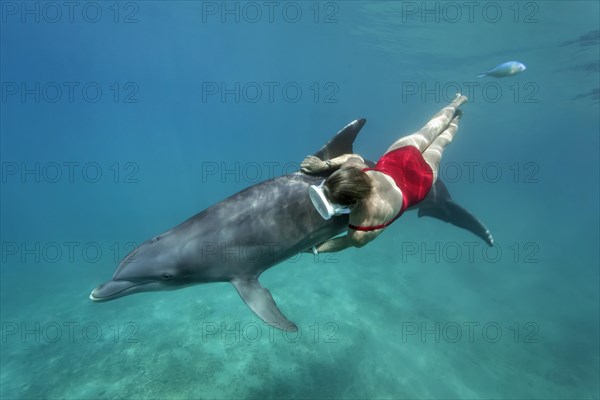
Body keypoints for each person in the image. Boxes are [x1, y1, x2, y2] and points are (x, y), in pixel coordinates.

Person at [301, 94, 467, 253]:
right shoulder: (355, 171)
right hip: (400, 159)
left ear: (349, 205)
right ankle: (456, 103)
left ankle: (457, 118)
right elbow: (354, 157)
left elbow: (345, 242)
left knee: (442, 141)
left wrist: (315, 249)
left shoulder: (361, 228)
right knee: (431, 130)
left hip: (419, 182)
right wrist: (323, 164)